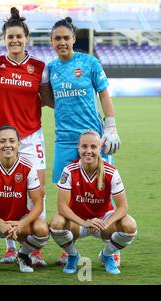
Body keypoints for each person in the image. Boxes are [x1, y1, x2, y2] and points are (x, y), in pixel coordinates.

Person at [43, 17, 122, 265]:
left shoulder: (89, 62)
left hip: (93, 139)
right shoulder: (52, 69)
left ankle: (112, 245)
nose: (62, 42)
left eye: (66, 38)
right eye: (58, 38)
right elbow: (50, 100)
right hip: (65, 140)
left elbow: (104, 94)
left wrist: (110, 126)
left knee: (102, 189)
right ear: (51, 41)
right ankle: (68, 248)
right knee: (67, 194)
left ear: (74, 39)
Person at [0, 7, 53, 266]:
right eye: (10, 37)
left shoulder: (39, 67)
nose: (14, 41)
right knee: (2, 191)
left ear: (26, 38)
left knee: (38, 191)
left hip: (31, 136)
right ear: (4, 40)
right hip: (0, 138)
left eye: (18, 37)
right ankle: (10, 247)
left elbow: (46, 100)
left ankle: (34, 248)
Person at [49, 130, 137, 274]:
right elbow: (62, 207)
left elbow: (122, 208)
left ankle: (107, 255)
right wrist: (85, 223)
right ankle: (73, 255)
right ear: (78, 148)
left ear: (99, 149)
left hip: (103, 221)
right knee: (56, 223)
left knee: (130, 225)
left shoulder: (111, 172)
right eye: (84, 146)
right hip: (77, 222)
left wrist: (105, 224)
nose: (88, 151)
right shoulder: (69, 170)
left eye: (93, 147)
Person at [0, 125, 50, 273]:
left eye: (12, 141)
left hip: (18, 222)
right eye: (3, 141)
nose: (7, 145)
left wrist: (22, 223)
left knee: (42, 230)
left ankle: (23, 254)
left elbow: (38, 203)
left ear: (18, 143)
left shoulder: (29, 168)